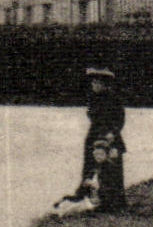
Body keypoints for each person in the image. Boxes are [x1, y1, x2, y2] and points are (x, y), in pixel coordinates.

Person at [54, 67, 127, 213]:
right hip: (93, 136)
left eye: (97, 82)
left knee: (110, 170)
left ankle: (111, 202)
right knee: (90, 168)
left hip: (108, 137)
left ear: (104, 84)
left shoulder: (113, 99)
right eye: (93, 82)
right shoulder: (93, 98)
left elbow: (119, 119)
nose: (93, 85)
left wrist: (112, 133)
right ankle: (89, 196)